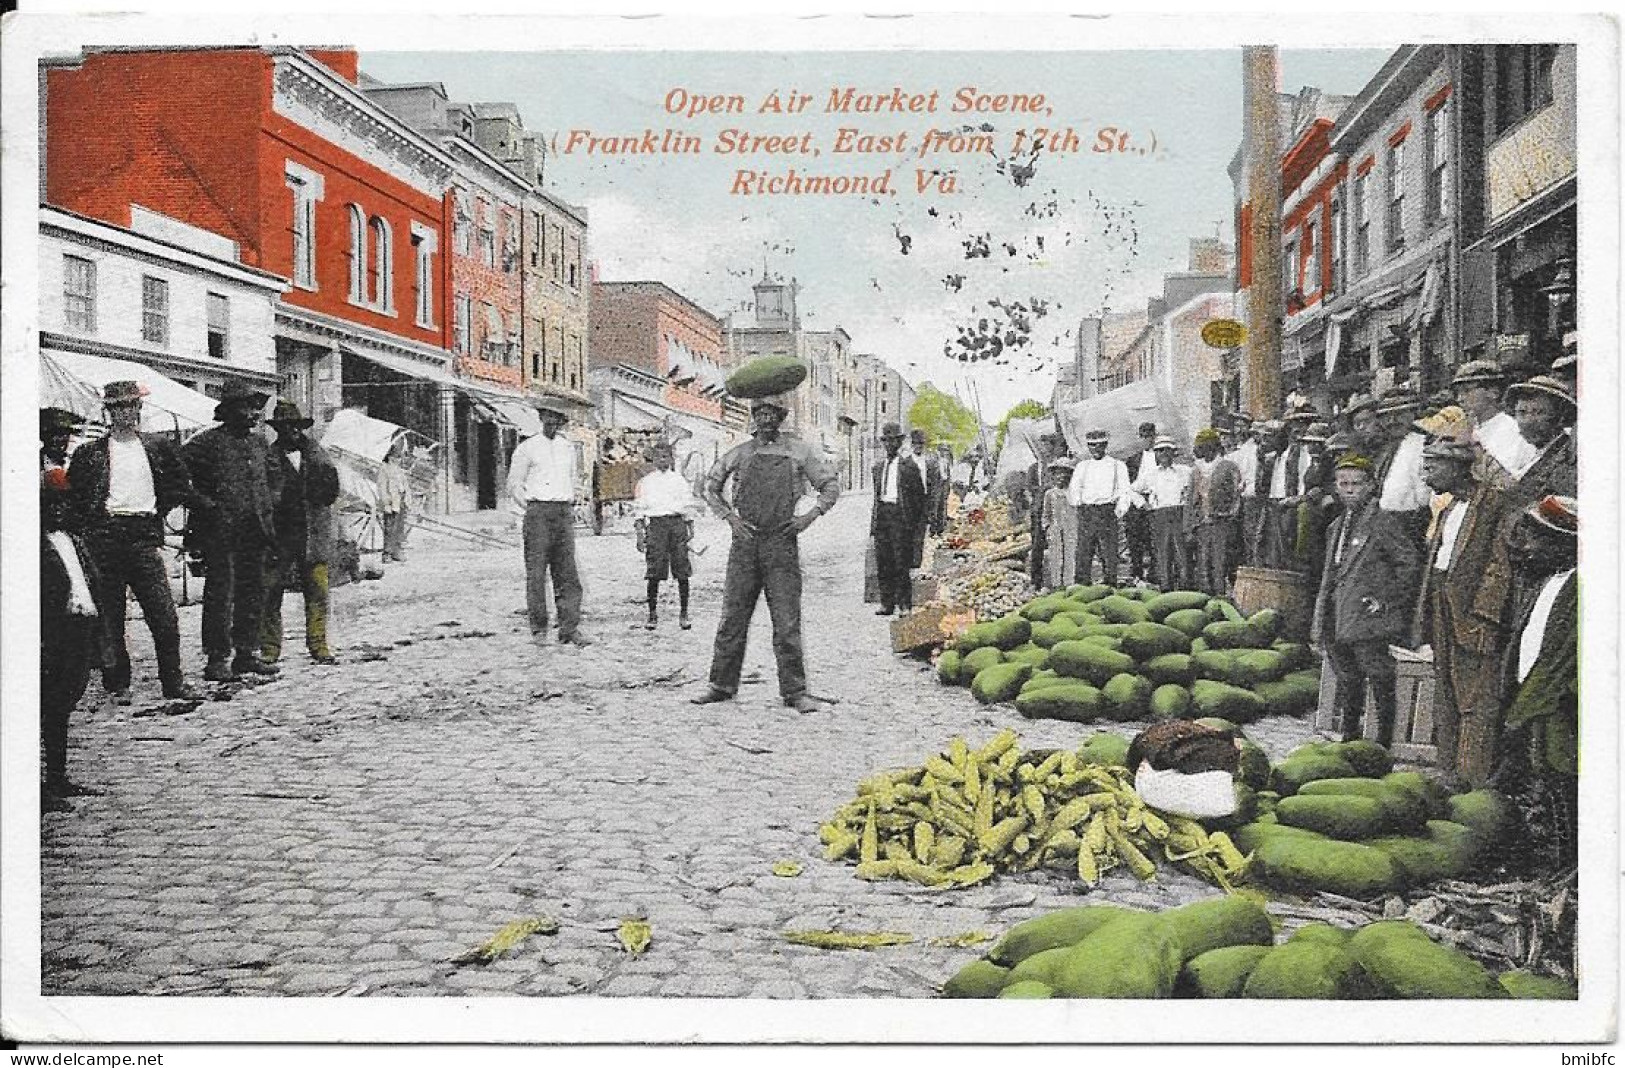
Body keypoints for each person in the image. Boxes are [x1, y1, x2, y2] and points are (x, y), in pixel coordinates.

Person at [692, 392, 840, 713]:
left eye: (773, 413)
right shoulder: (740, 453)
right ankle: (721, 684)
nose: (766, 419)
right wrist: (730, 518)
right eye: (760, 413)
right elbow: (710, 486)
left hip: (782, 546)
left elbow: (830, 486)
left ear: (781, 417)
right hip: (745, 546)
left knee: (786, 622)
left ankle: (795, 691)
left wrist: (808, 517)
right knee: (733, 618)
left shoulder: (799, 452)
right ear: (753, 417)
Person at [68, 381, 200, 701]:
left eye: (130, 406)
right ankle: (117, 683)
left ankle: (173, 681)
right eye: (118, 408)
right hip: (105, 538)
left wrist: (157, 513)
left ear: (139, 409)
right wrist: (91, 531)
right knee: (111, 618)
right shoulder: (90, 453)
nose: (125, 413)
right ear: (108, 412)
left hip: (143, 537)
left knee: (164, 616)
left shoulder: (157, 447)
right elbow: (76, 498)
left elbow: (179, 484)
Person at [1412, 436, 1517, 789]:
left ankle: (1472, 778)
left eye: (1433, 465)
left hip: (1472, 611)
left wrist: (1486, 616)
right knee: (1447, 690)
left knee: (1476, 696)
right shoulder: (1447, 506)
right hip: (1443, 601)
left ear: (1458, 467)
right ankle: (1448, 771)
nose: (1426, 474)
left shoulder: (1492, 503)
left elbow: (1499, 565)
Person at [1491, 495, 1578, 874]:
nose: (1527, 548)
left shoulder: (1581, 588)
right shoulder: (1548, 583)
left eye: (1537, 540)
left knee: (1565, 785)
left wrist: (1538, 703)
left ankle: (1570, 871)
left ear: (1564, 544)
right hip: (1535, 701)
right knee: (1545, 782)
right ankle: (1556, 865)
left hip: (1558, 709)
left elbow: (1569, 661)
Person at [1311, 454, 1423, 748]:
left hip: (1367, 616)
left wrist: (1384, 600)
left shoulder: (1382, 522)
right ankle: (1350, 739)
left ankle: (1382, 742)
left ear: (1372, 486)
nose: (1349, 490)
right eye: (1343, 484)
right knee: (1347, 679)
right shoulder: (1336, 526)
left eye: (1357, 484)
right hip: (1338, 612)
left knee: (1379, 677)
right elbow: (1328, 573)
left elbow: (1409, 563)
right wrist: (1321, 614)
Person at [41, 454, 105, 812]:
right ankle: (40, 785)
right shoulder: (34, 547)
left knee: (65, 704)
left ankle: (58, 776)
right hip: (55, 632)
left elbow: (88, 581)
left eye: (66, 503)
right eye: (54, 504)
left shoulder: (74, 541)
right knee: (47, 705)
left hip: (81, 627)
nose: (61, 510)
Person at [506, 397, 593, 647]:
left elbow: (575, 479)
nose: (552, 422)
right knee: (536, 573)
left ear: (562, 422)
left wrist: (572, 501)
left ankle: (569, 628)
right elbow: (514, 483)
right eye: (548, 416)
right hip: (538, 513)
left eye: (557, 418)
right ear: (541, 417)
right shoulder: (527, 448)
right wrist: (531, 506)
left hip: (562, 513)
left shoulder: (568, 448)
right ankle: (539, 629)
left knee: (567, 573)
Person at [260, 400, 341, 666]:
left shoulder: (317, 454)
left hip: (313, 534)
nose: (291, 432)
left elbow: (331, 490)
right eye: (285, 428)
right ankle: (270, 648)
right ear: (278, 431)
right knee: (271, 592)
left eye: (295, 427)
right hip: (279, 535)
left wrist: (316, 485)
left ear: (301, 428)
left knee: (317, 591)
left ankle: (318, 644)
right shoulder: (268, 458)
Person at [633, 441, 702, 631]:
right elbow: (639, 509)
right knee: (654, 570)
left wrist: (690, 527)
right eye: (658, 457)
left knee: (682, 570)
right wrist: (640, 533)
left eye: (666, 456)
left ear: (671, 459)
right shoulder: (646, 482)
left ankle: (684, 613)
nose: (662, 460)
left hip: (676, 524)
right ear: (653, 459)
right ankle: (652, 614)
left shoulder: (679, 480)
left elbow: (687, 505)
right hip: (656, 526)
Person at [870, 422, 926, 616]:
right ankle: (887, 603)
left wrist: (914, 525)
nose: (890, 445)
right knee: (883, 561)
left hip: (900, 517)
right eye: (886, 441)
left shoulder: (909, 466)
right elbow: (876, 499)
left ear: (900, 443)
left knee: (901, 562)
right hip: (883, 516)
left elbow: (920, 498)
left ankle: (904, 604)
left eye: (894, 441)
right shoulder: (878, 468)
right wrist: (874, 525)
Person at [1452, 360, 1535, 484]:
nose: (1460, 399)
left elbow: (1505, 482)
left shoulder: (1512, 430)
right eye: (1458, 392)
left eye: (1467, 391)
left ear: (1493, 392)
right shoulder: (1468, 428)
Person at [1067, 429, 1132, 586]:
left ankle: (1110, 585)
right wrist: (1079, 504)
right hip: (1087, 511)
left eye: (1099, 445)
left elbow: (1125, 490)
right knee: (1083, 551)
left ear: (1105, 445)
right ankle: (1081, 586)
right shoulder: (1082, 466)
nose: (1096, 449)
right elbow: (1074, 489)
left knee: (1109, 552)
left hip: (1107, 511)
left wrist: (1119, 510)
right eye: (1092, 446)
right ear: (1088, 447)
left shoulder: (1118, 465)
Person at [1373, 389, 1433, 546]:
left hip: (1410, 525)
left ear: (1413, 414)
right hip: (1383, 523)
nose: (1393, 421)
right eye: (1387, 416)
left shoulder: (1423, 444)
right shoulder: (1384, 449)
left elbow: (1425, 497)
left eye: (1400, 414)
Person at [1130, 436, 1190, 590]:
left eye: (1166, 450)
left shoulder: (1185, 471)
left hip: (1179, 513)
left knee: (1182, 554)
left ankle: (1184, 588)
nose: (1163, 454)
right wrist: (1144, 505)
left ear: (1173, 452)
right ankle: (1166, 588)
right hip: (1159, 515)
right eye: (1159, 451)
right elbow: (1131, 490)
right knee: (1162, 554)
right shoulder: (1151, 474)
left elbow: (1194, 490)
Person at [1505, 375, 1577, 502]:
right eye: (1522, 412)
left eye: (1538, 412)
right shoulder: (1532, 454)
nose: (1528, 421)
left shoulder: (1568, 458)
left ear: (1560, 417)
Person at [1188, 428, 1242, 596]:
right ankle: (1207, 598)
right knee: (1203, 562)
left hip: (1222, 524)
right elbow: (1190, 500)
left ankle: (1222, 595)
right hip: (1202, 524)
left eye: (1203, 447)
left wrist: (1230, 516)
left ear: (1212, 447)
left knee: (1221, 562)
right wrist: (1189, 526)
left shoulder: (1229, 467)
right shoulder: (1197, 470)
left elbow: (1236, 495)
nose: (1200, 451)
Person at [1025, 432, 1065, 588]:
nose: (1044, 450)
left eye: (1047, 446)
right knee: (1037, 545)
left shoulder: (1058, 466)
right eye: (1041, 446)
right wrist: (1035, 500)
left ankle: (1060, 579)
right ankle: (1036, 580)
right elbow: (1029, 488)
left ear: (1053, 448)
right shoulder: (1034, 468)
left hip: (1056, 510)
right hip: (1038, 510)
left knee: (1058, 544)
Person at [1246, 421, 1285, 566]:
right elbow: (1261, 488)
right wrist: (1261, 463)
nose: (1264, 442)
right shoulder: (1270, 460)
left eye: (1268, 438)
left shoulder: (1290, 456)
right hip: (1269, 503)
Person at [1123, 421, 1159, 582]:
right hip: (1137, 501)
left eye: (1150, 437)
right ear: (1139, 438)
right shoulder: (1132, 460)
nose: (1147, 440)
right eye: (1143, 437)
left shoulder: (1161, 457)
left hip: (1156, 500)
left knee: (1154, 539)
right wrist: (1140, 503)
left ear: (1154, 437)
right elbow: (1128, 486)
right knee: (1134, 537)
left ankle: (1154, 574)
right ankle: (1136, 572)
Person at [1226, 413, 1260, 565]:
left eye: (1242, 426)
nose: (1239, 430)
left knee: (1251, 534)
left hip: (1250, 496)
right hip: (1238, 498)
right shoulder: (1235, 452)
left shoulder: (1254, 449)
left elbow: (1250, 475)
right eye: (1237, 426)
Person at [1040, 456, 1078, 590]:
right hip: (1055, 528)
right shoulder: (1050, 494)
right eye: (1058, 473)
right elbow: (1046, 513)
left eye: (1065, 473)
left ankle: (1069, 583)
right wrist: (1047, 528)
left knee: (1070, 554)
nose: (1061, 477)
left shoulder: (1074, 493)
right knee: (1055, 555)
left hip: (1071, 527)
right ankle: (1056, 583)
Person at [907, 428, 940, 570]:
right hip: (909, 502)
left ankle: (916, 562)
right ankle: (908, 560)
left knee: (920, 534)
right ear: (911, 445)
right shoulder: (905, 462)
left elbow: (935, 486)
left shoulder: (930, 463)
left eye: (921, 444)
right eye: (915, 444)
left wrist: (933, 508)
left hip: (924, 501)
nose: (918, 447)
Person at [378, 443, 413, 563]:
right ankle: (387, 553)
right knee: (389, 528)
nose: (398, 460)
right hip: (391, 502)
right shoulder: (384, 469)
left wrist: (408, 499)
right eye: (396, 457)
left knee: (399, 528)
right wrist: (386, 504)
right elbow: (382, 488)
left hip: (400, 501)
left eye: (399, 457)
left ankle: (397, 552)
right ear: (390, 457)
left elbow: (406, 485)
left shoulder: (399, 470)